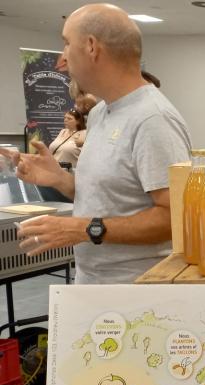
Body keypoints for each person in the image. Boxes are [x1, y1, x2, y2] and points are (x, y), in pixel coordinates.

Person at [5, 3, 191, 284]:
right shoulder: (101, 112)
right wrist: (59, 179)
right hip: (94, 283)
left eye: (67, 44)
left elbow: (174, 218)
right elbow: (112, 198)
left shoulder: (153, 119)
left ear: (91, 46)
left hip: (137, 291)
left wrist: (85, 229)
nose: (62, 58)